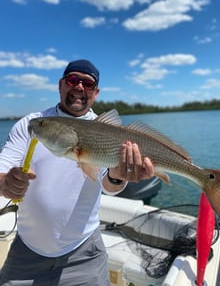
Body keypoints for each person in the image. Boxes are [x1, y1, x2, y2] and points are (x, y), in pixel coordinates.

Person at [0, 59, 155, 286]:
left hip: (85, 252)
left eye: (88, 84)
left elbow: (108, 185)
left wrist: (117, 175)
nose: (79, 87)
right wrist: (6, 182)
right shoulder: (30, 124)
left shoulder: (107, 132)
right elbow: (2, 168)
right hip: (27, 250)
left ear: (96, 92)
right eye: (73, 80)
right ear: (61, 84)